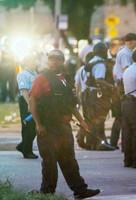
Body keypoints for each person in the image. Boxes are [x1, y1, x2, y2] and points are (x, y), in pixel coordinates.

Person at [29, 50, 100, 198]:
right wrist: (38, 125)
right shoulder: (42, 78)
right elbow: (33, 102)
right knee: (49, 162)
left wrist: (82, 121)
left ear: (62, 61)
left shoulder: (66, 79)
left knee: (69, 160)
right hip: (47, 128)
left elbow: (71, 104)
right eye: (51, 59)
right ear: (48, 61)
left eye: (57, 59)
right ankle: (47, 193)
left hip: (64, 127)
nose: (54, 62)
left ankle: (80, 190)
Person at [84, 42, 114, 150]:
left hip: (90, 94)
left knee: (92, 120)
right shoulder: (100, 64)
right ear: (103, 51)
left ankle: (92, 144)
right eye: (106, 51)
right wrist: (112, 86)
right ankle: (101, 144)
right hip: (98, 94)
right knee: (100, 120)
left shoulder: (91, 61)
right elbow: (99, 80)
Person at [16, 55, 38, 159]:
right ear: (27, 62)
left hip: (34, 100)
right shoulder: (23, 74)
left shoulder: (34, 73)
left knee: (34, 126)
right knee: (28, 126)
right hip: (26, 101)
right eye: (32, 60)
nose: (35, 62)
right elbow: (24, 90)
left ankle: (23, 146)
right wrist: (29, 104)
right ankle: (27, 151)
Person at [74, 52, 94, 149]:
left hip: (83, 94)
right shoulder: (89, 69)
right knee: (90, 118)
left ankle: (82, 136)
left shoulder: (80, 69)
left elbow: (77, 84)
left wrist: (76, 96)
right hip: (89, 94)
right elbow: (87, 83)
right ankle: (81, 136)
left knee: (87, 117)